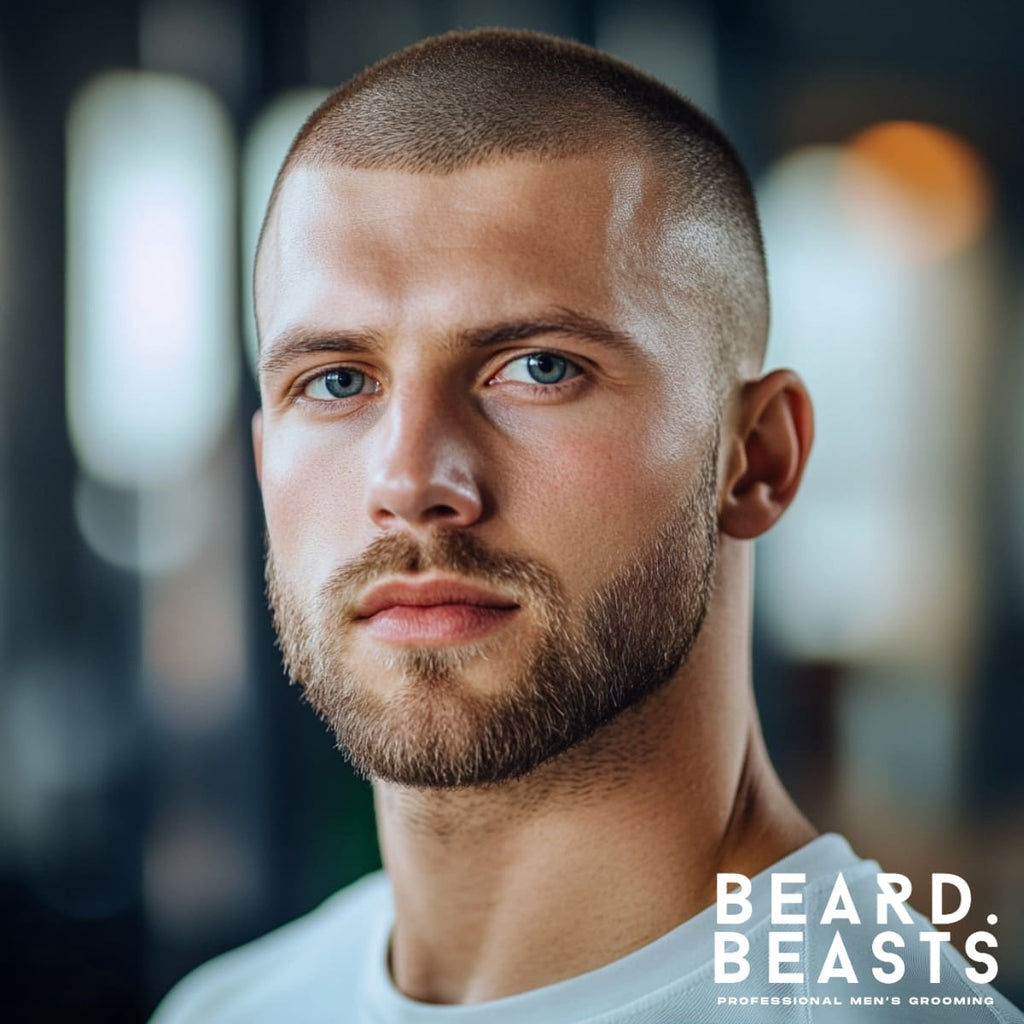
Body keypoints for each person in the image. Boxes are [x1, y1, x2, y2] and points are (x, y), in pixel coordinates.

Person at [152, 28, 1023, 1024]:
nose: (409, 481)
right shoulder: (225, 1008)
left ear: (757, 458)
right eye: (337, 381)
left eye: (538, 368)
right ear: (266, 463)